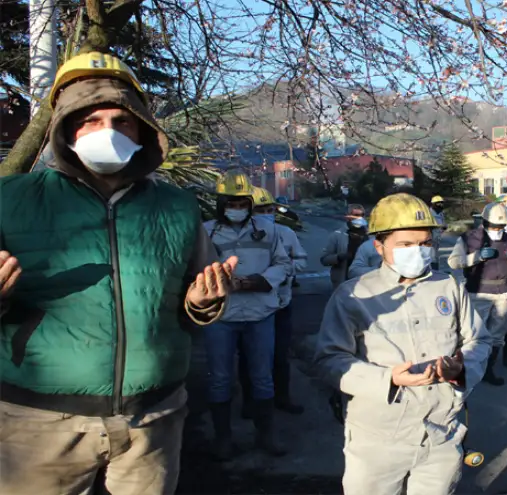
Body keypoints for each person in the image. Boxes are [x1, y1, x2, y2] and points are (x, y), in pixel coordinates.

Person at [0, 52, 235, 494]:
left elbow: (193, 301)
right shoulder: (9, 200)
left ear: (142, 129)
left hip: (154, 417)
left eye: (120, 120)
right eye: (88, 120)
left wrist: (202, 303)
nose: (105, 131)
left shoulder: (177, 206)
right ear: (64, 131)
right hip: (39, 424)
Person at [313, 193, 492, 495]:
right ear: (379, 246)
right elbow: (329, 360)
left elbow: (479, 340)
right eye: (405, 245)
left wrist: (461, 370)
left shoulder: (448, 286)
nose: (418, 252)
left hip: (441, 433)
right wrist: (389, 379)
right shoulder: (353, 295)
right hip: (379, 437)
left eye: (424, 243)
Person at [203, 171, 292, 459]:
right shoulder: (205, 233)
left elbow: (284, 263)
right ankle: (223, 438)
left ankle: (266, 434)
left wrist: (256, 281)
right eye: (232, 203)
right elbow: (194, 269)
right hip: (221, 316)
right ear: (220, 203)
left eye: (243, 204)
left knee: (262, 377)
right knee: (219, 378)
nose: (237, 209)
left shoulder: (270, 229)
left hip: (259, 314)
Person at [239, 188, 308, 418]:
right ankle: (250, 402)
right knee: (249, 355)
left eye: (269, 210)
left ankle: (282, 397)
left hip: (280, 303)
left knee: (280, 354)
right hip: (251, 306)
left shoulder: (286, 233)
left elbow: (300, 261)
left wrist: (284, 271)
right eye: (261, 210)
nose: (266, 214)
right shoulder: (239, 235)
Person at [448, 203, 507, 386]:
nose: (498, 230)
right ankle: (465, 368)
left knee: (497, 336)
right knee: (474, 334)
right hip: (478, 292)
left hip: (504, 292)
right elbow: (453, 262)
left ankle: (489, 370)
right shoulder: (469, 238)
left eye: (501, 227)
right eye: (495, 226)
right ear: (485, 221)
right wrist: (476, 257)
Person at [321, 204, 368, 288]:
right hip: (344, 281)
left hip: (365, 282)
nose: (359, 218)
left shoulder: (370, 236)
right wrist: (339, 257)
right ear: (348, 217)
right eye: (356, 215)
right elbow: (324, 259)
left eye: (362, 215)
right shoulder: (337, 235)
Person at [430, 195, 447, 270]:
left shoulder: (440, 213)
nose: (440, 205)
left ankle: (435, 271)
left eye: (441, 203)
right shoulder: (429, 213)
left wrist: (444, 227)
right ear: (433, 204)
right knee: (432, 255)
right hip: (430, 237)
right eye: (438, 203)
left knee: (435, 255)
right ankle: (434, 271)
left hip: (437, 237)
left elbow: (444, 223)